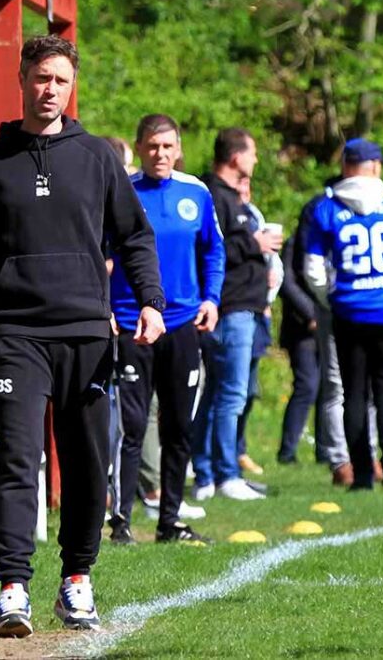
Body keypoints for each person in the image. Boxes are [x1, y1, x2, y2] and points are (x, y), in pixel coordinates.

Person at [0, 35, 164, 637]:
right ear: (22, 79)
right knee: (18, 458)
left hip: (89, 335)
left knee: (87, 463)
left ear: (73, 88)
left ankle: (76, 581)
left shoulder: (96, 156)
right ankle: (12, 587)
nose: (50, 90)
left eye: (61, 81)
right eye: (41, 78)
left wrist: (150, 301)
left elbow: (134, 237)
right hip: (17, 332)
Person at [109, 114, 225, 545]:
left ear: (178, 150)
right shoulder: (122, 193)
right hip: (131, 324)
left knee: (178, 426)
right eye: (153, 146)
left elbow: (214, 251)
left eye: (168, 146)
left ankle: (169, 521)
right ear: (140, 148)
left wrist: (211, 299)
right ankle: (120, 520)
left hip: (182, 326)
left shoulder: (196, 192)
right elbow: (101, 254)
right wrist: (106, 305)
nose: (160, 154)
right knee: (132, 427)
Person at [305, 138, 383, 492]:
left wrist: (332, 298)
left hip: (349, 308)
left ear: (346, 166)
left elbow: (313, 268)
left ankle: (363, 472)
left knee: (355, 391)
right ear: (376, 167)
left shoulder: (326, 208)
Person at [193, 129, 279, 501]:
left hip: (244, 308)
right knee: (230, 395)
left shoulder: (232, 198)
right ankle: (224, 474)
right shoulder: (214, 196)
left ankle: (208, 473)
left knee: (218, 394)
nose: (256, 161)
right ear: (234, 157)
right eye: (252, 153)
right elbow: (211, 247)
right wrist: (253, 243)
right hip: (230, 309)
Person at [234, 175, 284, 475]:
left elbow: (273, 261)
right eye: (238, 186)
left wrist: (270, 286)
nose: (244, 191)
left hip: (259, 310)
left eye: (247, 186)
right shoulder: (229, 219)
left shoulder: (254, 215)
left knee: (249, 389)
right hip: (237, 308)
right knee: (231, 390)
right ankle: (223, 457)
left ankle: (238, 449)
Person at [278, 229, 319, 465]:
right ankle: (287, 451)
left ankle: (326, 453)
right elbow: (287, 282)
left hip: (328, 323)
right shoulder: (297, 241)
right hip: (301, 328)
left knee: (326, 389)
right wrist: (311, 314)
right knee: (307, 385)